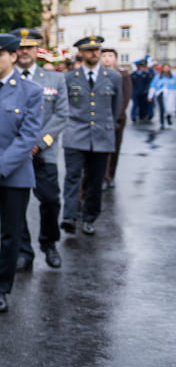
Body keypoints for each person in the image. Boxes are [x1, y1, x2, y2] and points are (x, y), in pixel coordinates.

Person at [0, 33, 43, 314]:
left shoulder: (31, 90)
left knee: (10, 234)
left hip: (14, 174)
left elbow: (28, 137)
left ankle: (2, 288)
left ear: (14, 56)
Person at [13, 28, 67, 271]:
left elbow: (61, 115)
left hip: (43, 153)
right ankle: (24, 251)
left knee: (51, 201)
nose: (25, 52)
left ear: (37, 51)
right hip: (14, 154)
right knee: (16, 206)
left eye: (30, 47)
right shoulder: (7, 77)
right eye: (21, 47)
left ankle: (49, 243)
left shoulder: (55, 79)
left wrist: (39, 142)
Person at [62, 36, 122, 235]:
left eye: (97, 49)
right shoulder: (70, 78)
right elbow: (64, 106)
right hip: (75, 134)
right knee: (73, 177)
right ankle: (69, 216)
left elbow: (116, 107)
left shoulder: (112, 77)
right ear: (81, 53)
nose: (94, 53)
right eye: (89, 50)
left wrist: (108, 127)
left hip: (102, 136)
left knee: (96, 180)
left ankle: (89, 217)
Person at [101, 47, 129, 190]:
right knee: (102, 148)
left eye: (110, 56)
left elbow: (125, 96)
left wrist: (117, 114)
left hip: (117, 118)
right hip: (100, 117)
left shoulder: (122, 75)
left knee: (115, 148)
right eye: (104, 55)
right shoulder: (98, 74)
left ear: (115, 59)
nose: (107, 58)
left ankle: (111, 175)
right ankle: (103, 177)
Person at [149, 63, 174, 128]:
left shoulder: (173, 77)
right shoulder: (158, 77)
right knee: (161, 108)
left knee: (169, 108)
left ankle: (168, 117)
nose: (166, 69)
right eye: (165, 67)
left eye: (167, 67)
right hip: (160, 94)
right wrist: (150, 95)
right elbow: (153, 86)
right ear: (162, 68)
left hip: (170, 94)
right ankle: (162, 122)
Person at [131, 59, 154, 123]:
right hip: (135, 92)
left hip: (143, 92)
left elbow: (148, 83)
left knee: (142, 105)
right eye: (138, 66)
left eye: (140, 66)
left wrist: (146, 90)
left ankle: (142, 116)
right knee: (135, 104)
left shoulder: (146, 74)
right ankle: (133, 116)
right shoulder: (133, 75)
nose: (139, 67)